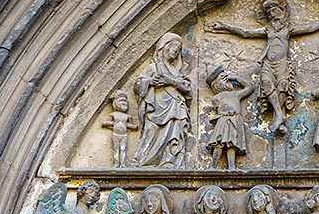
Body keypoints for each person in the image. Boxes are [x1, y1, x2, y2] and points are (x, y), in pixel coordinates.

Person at [208, 0, 319, 134]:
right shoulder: (268, 30)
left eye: (275, 11)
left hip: (282, 64)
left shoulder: (288, 29)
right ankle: (279, 115)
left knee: (282, 87)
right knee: (267, 85)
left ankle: (278, 117)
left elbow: (310, 28)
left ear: (282, 11)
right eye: (270, 13)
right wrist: (224, 26)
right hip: (267, 64)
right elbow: (245, 33)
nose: (273, 15)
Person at [132, 33, 192, 167]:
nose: (176, 50)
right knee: (151, 131)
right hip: (157, 106)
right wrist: (151, 81)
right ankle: (142, 160)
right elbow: (138, 84)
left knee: (175, 134)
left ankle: (169, 160)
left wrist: (171, 81)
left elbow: (188, 90)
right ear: (163, 47)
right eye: (173, 46)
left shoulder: (178, 72)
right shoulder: (153, 68)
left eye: (178, 49)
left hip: (176, 106)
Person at [203, 66, 256, 169]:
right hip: (223, 120)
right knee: (218, 142)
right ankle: (213, 166)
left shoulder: (235, 94)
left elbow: (249, 87)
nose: (227, 80)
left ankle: (232, 167)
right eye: (223, 78)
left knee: (232, 144)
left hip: (235, 120)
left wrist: (235, 78)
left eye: (226, 77)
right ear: (217, 84)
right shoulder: (217, 98)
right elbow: (217, 109)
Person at [99, 92, 139, 166]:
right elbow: (105, 123)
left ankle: (123, 163)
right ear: (116, 104)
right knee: (116, 148)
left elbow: (133, 126)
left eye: (125, 103)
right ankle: (116, 163)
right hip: (115, 134)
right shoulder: (113, 115)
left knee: (123, 149)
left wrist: (126, 126)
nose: (124, 104)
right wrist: (113, 125)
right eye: (121, 102)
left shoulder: (128, 116)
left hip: (124, 135)